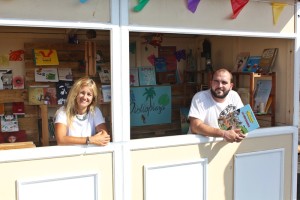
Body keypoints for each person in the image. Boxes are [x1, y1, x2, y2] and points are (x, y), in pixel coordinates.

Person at [188, 68, 245, 143]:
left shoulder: (234, 95)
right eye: (216, 81)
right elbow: (195, 127)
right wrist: (224, 133)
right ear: (211, 83)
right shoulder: (200, 98)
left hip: (224, 145)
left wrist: (239, 134)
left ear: (231, 86)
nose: (220, 85)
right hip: (200, 146)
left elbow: (243, 122)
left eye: (224, 82)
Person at [54, 77, 110, 146]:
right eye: (82, 93)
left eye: (89, 94)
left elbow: (105, 136)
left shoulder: (95, 111)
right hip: (69, 154)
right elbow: (61, 140)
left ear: (93, 98)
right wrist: (90, 140)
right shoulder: (63, 112)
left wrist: (96, 139)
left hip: (89, 153)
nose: (85, 97)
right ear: (75, 94)